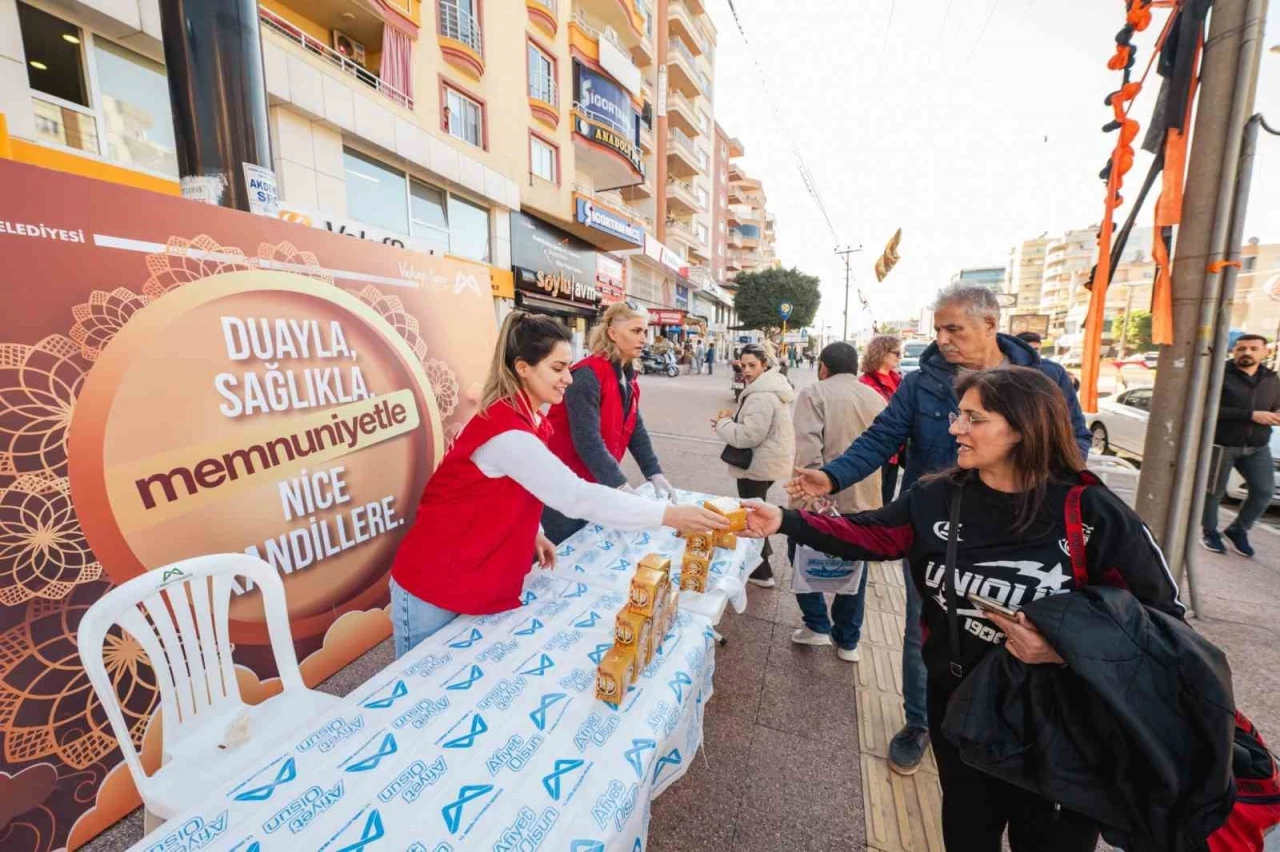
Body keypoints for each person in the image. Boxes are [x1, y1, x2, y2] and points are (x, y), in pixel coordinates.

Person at [751, 367, 1184, 852]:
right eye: (959, 415)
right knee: (965, 829)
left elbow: (1162, 622)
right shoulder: (939, 495)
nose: (955, 428)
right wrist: (785, 520)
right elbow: (876, 534)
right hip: (960, 706)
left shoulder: (1095, 514)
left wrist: (1064, 649)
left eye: (973, 418)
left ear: (1023, 427)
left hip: (1063, 725)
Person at [787, 283, 1092, 776]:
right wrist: (831, 475)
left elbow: (1073, 447)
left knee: (1013, 635)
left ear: (990, 324)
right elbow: (881, 439)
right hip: (938, 532)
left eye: (955, 329)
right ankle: (920, 723)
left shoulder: (1045, 378)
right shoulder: (922, 382)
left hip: (1020, 535)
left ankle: (1011, 729)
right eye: (938, 330)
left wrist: (1027, 484)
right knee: (923, 631)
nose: (944, 339)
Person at [388, 311, 727, 657]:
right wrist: (668, 515)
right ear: (523, 368)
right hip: (431, 582)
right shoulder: (508, 430)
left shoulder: (527, 417)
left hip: (468, 573)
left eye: (568, 366)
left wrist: (533, 530)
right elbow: (575, 496)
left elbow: (510, 486)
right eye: (558, 368)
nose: (568, 377)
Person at [542, 301, 675, 544]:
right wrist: (621, 487)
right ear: (613, 333)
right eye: (636, 331)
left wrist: (653, 472)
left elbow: (634, 427)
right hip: (565, 487)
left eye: (645, 331)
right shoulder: (587, 375)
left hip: (596, 483)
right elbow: (587, 441)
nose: (644, 338)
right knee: (560, 553)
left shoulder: (627, 375)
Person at [789, 342, 885, 661]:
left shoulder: (814, 393)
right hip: (865, 498)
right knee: (856, 566)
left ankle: (817, 624)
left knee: (800, 553)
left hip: (819, 496)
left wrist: (815, 495)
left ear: (823, 366)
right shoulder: (875, 397)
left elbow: (808, 451)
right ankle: (848, 640)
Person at [714, 342, 796, 587]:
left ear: (765, 365)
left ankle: (762, 572)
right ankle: (761, 566)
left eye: (752, 365)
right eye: (743, 365)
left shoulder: (761, 395)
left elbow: (749, 436)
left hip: (756, 465)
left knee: (753, 517)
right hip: (767, 462)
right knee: (756, 511)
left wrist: (723, 424)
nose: (747, 370)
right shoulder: (770, 388)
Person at [1201, 333, 1280, 557]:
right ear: (1233, 351)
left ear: (1266, 352)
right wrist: (1251, 415)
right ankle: (1210, 532)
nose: (1246, 353)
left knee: (1264, 491)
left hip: (1257, 446)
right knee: (1213, 492)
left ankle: (1238, 529)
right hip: (1222, 443)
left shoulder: (1271, 378)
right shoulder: (1219, 375)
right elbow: (1208, 409)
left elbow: (1276, 406)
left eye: (1253, 349)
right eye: (1241, 348)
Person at [860, 334, 905, 505]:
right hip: (876, 450)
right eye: (896, 353)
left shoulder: (899, 381)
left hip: (895, 451)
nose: (899, 357)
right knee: (873, 503)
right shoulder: (865, 383)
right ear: (882, 353)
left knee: (886, 500)